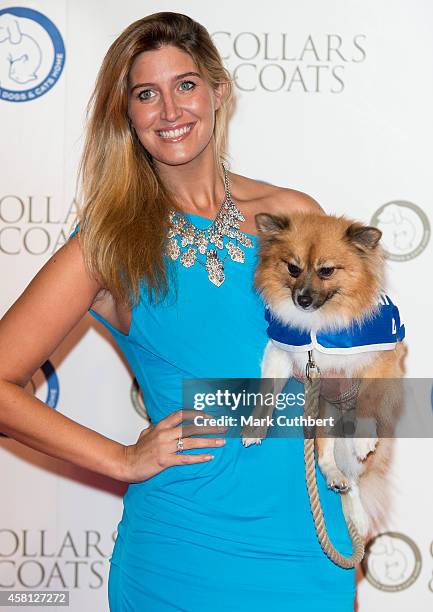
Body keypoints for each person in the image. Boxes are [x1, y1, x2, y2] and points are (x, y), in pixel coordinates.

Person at [0, 12, 356, 611]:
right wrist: (120, 457)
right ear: (128, 113)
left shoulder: (293, 212)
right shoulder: (107, 245)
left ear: (219, 92)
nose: (170, 110)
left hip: (309, 549)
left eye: (185, 85)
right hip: (183, 554)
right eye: (147, 94)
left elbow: (345, 391)